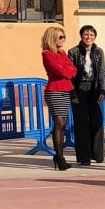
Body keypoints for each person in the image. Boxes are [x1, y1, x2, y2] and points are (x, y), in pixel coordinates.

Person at [67, 25, 105, 166]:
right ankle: (84, 157)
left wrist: (103, 90)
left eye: (91, 34)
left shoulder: (99, 52)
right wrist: (72, 93)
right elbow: (69, 75)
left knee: (97, 122)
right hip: (79, 90)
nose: (88, 37)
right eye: (86, 34)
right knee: (81, 124)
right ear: (81, 36)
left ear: (95, 36)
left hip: (94, 91)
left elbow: (102, 72)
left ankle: (98, 155)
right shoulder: (73, 52)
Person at [40, 26, 77, 171]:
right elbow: (60, 71)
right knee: (59, 123)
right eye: (60, 37)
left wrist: (66, 70)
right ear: (52, 38)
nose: (63, 40)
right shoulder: (47, 54)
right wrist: (66, 70)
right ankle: (59, 157)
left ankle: (59, 156)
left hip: (65, 91)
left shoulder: (62, 53)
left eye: (64, 37)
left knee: (63, 125)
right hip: (54, 91)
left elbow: (73, 70)